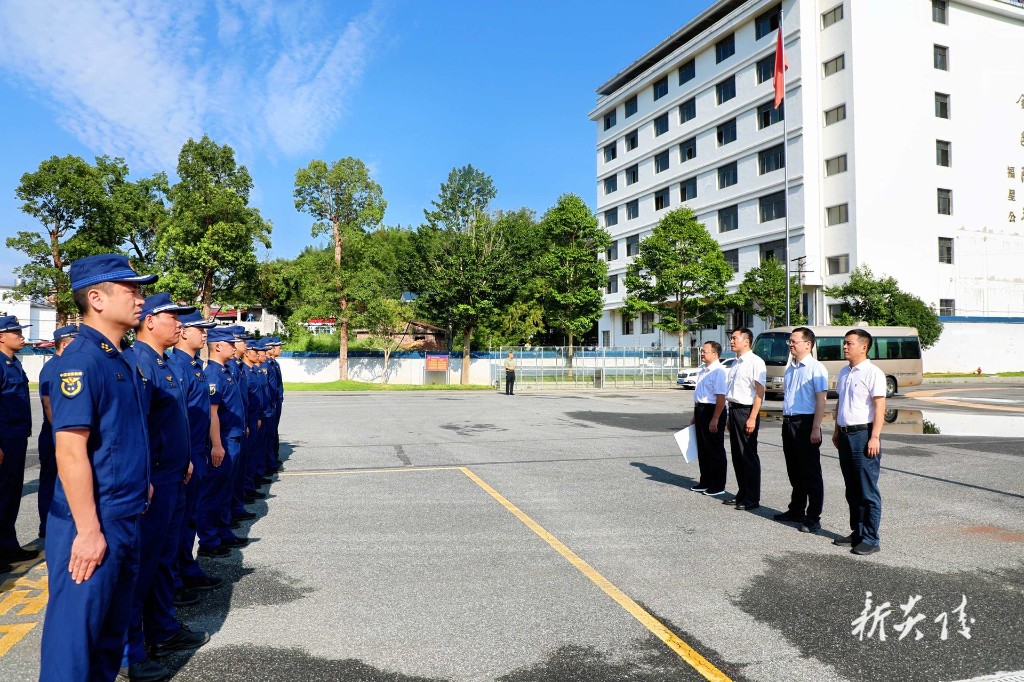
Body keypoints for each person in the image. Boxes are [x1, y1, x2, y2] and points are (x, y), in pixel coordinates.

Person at [39, 254, 156, 681]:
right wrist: (88, 532)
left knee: (109, 636)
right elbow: (69, 450)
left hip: (124, 514)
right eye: (131, 290)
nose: (140, 299)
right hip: (91, 519)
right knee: (74, 643)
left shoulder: (117, 357)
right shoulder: (81, 361)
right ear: (97, 298)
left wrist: (141, 483)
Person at [121, 293, 209, 681]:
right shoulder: (138, 364)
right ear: (150, 322)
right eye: (172, 316)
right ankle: (129, 653)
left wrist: (185, 457)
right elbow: (134, 430)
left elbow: (174, 422)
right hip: (153, 480)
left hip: (173, 474)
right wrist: (146, 478)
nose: (179, 324)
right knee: (139, 569)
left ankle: (162, 628)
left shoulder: (164, 364)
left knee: (162, 559)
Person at [166, 311, 222, 600]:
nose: (205, 335)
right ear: (184, 331)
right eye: (200, 329)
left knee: (189, 518)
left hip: (198, 450)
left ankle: (187, 570)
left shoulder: (195, 365)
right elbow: (179, 418)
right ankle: (174, 580)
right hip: (186, 453)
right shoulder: (175, 365)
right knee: (177, 522)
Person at [832, 328, 887, 556]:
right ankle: (857, 531)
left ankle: (871, 538)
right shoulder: (845, 372)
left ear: (863, 347)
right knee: (852, 489)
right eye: (844, 343)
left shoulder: (874, 373)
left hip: (863, 435)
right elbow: (840, 404)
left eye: (849, 343)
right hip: (845, 435)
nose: (845, 347)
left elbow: (880, 407)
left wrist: (875, 437)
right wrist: (836, 430)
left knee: (867, 490)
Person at [197, 327, 247, 557]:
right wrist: (216, 444)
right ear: (218, 346)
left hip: (232, 436)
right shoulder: (213, 375)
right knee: (213, 491)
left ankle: (223, 531)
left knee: (225, 488)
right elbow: (212, 413)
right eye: (230, 344)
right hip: (224, 440)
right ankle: (209, 540)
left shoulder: (225, 370)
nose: (234, 348)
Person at [774, 327, 828, 533]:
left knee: (811, 473)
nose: (790, 344)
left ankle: (813, 517)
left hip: (806, 423)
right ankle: (796, 509)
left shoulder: (816, 368)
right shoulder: (791, 368)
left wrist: (816, 428)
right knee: (794, 470)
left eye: (794, 341)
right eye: (790, 341)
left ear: (808, 344)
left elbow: (821, 400)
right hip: (789, 422)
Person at [0, 315, 37, 565]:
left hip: (16, 437)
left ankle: (8, 547)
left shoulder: (14, 364)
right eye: (16, 332)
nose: (21, 336)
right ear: (1, 336)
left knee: (11, 495)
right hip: (3, 439)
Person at [37, 324, 79, 539]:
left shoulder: (69, 364)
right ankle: (47, 526)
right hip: (55, 436)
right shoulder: (53, 367)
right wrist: (60, 437)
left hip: (62, 436)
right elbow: (48, 405)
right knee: (51, 481)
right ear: (63, 344)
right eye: (75, 341)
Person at [725, 327, 766, 511]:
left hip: (746, 412)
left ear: (746, 341)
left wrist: (752, 417)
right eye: (731, 338)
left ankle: (752, 497)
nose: (731, 341)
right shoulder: (735, 363)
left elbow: (759, 392)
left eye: (734, 338)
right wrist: (728, 415)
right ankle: (742, 492)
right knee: (737, 456)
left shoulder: (755, 362)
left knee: (748, 455)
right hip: (734, 411)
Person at [689, 341, 728, 497]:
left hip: (712, 410)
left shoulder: (718, 372)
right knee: (703, 448)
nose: (702, 354)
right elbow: (700, 396)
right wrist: (695, 416)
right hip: (701, 410)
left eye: (705, 351)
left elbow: (721, 397)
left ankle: (718, 484)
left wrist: (716, 418)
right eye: (702, 351)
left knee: (714, 449)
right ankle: (705, 480)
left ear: (715, 354)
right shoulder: (704, 370)